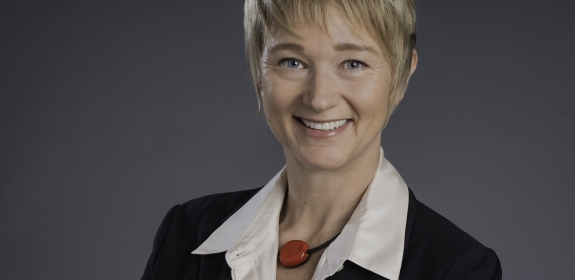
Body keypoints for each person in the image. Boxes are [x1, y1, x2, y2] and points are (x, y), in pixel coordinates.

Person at [141, 0, 502, 279]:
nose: (320, 98)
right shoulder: (185, 233)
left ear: (402, 75)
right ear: (257, 70)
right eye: (292, 62)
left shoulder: (458, 269)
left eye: (353, 63)